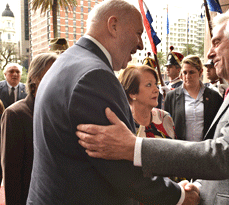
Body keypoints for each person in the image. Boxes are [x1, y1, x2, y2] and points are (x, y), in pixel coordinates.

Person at [77, 6, 229, 204]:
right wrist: (200, 187)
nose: (209, 53)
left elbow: (226, 156)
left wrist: (134, 147)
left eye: (217, 42)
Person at [27, 0, 198, 204]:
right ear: (113, 25)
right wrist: (179, 195)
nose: (141, 44)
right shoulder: (94, 76)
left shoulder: (68, 62)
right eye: (137, 33)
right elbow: (120, 166)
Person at [0, 53, 57, 205]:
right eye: (52, 72)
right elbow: (11, 174)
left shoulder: (59, 111)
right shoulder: (15, 114)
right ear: (34, 78)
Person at [164, 55, 222, 141]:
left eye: (191, 72)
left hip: (206, 150)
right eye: (184, 72)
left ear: (200, 72)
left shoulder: (214, 97)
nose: (187, 76)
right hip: (180, 150)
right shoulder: (171, 97)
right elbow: (166, 127)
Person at [119, 65, 176, 140]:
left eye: (155, 84)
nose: (156, 90)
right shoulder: (121, 124)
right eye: (149, 85)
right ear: (132, 93)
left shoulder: (164, 117)